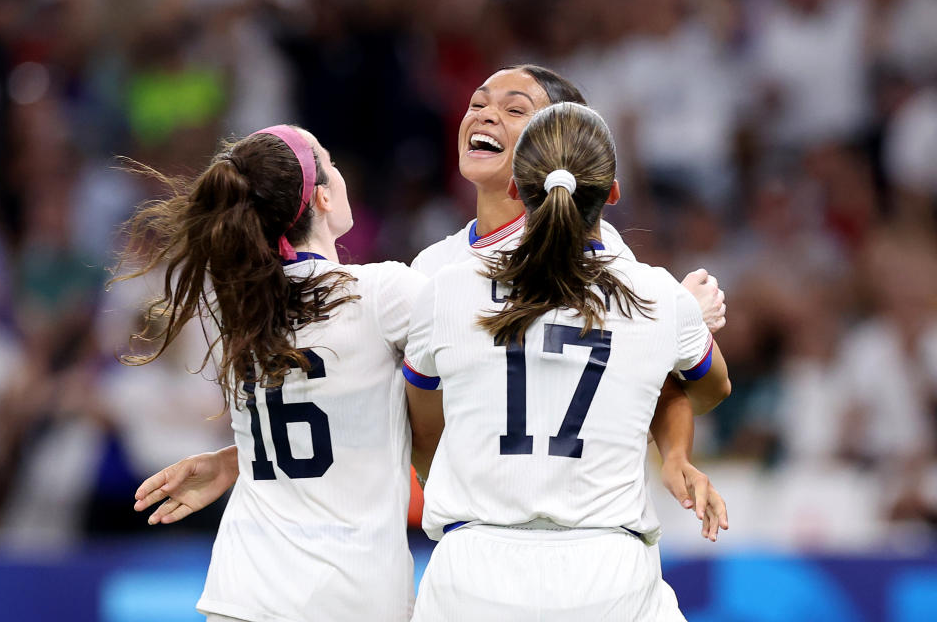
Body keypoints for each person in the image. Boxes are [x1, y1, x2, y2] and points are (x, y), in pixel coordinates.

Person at [136, 66, 728, 539]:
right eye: (477, 101)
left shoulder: (601, 255)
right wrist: (244, 456)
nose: (485, 113)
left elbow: (651, 379)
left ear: (553, 147)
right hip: (487, 541)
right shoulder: (433, 271)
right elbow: (363, 402)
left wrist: (675, 447)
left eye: (515, 108)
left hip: (575, 532)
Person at [403, 102, 731, 621]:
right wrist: (645, 413)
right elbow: (713, 388)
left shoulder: (445, 291)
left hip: (471, 574)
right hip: (608, 575)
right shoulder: (660, 298)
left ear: (515, 188)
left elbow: (424, 429)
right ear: (613, 192)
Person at [114, 125, 427, 622]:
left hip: (243, 590)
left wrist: (240, 459)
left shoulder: (239, 304)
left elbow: (320, 417)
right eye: (330, 159)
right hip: (349, 595)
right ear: (322, 196)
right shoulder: (384, 293)